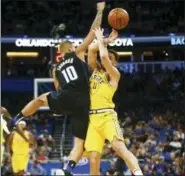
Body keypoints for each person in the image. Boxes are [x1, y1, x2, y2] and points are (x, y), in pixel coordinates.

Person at [13, 2, 105, 175]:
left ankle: (16, 118)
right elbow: (93, 32)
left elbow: (58, 88)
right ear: (70, 48)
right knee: (79, 143)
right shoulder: (78, 52)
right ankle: (67, 168)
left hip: (66, 97)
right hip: (85, 101)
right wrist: (100, 11)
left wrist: (59, 107)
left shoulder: (55, 69)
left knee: (41, 99)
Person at [85, 28, 143, 176]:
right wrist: (105, 41)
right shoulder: (96, 71)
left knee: (119, 147)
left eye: (112, 57)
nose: (107, 58)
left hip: (107, 116)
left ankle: (137, 173)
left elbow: (103, 57)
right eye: (108, 55)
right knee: (93, 158)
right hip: (92, 119)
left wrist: (100, 39)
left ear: (115, 63)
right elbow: (91, 50)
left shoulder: (114, 74)